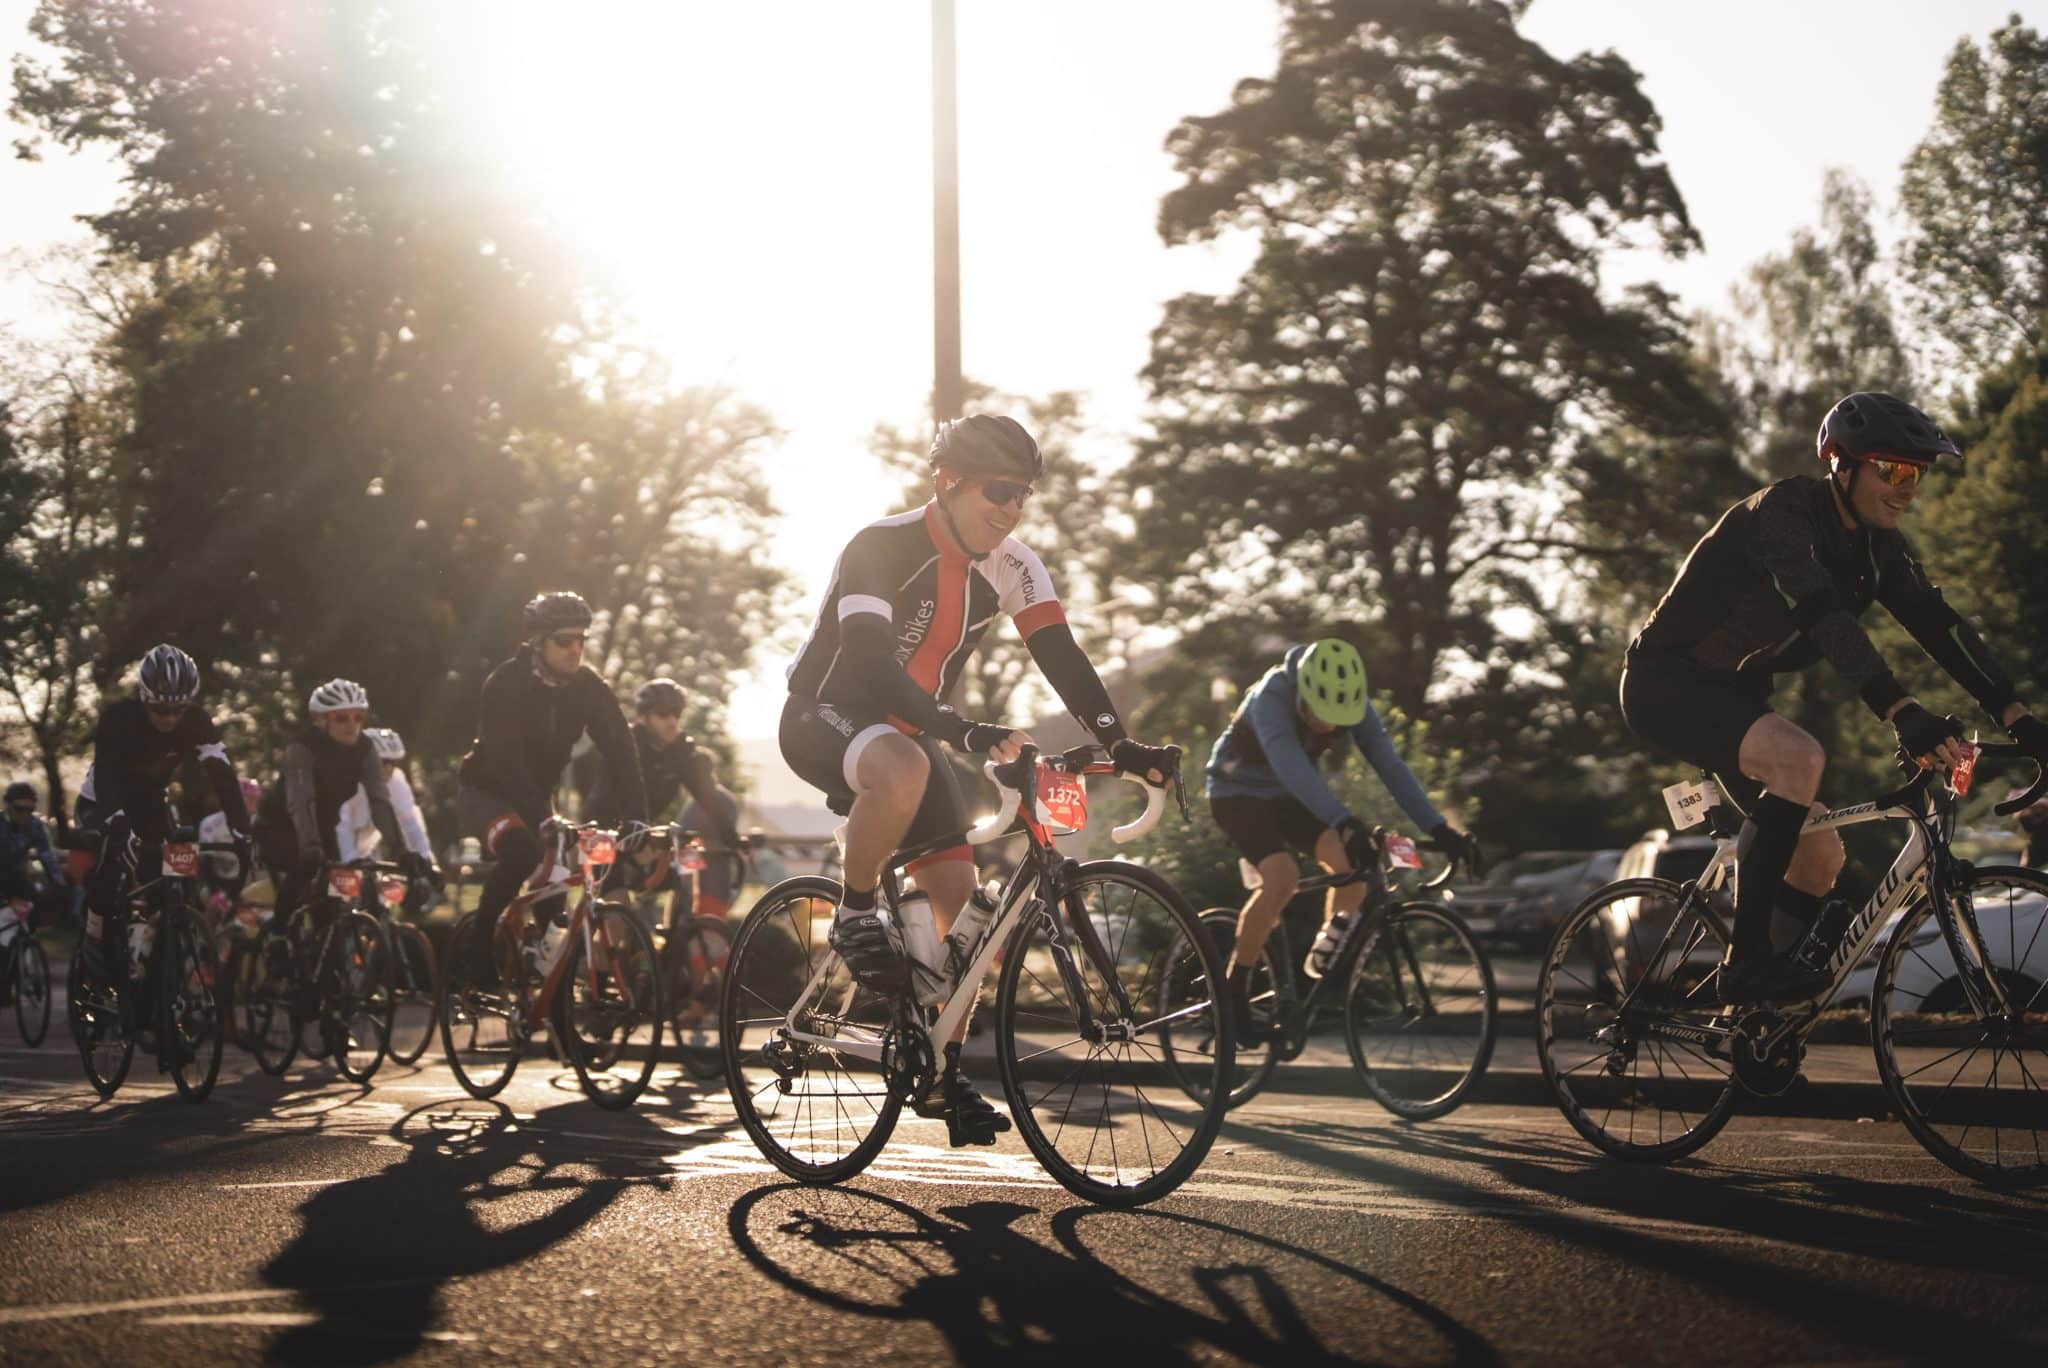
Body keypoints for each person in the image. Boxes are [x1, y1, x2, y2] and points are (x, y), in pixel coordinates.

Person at [780, 413, 1178, 1146]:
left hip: (913, 736)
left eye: (1023, 495)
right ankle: (857, 909)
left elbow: (1061, 655)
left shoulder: (1013, 564)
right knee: (903, 764)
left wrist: (1120, 745)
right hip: (824, 714)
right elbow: (869, 663)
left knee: (966, 918)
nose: (1011, 508)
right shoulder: (881, 545)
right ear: (948, 482)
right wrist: (962, 731)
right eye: (998, 490)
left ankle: (939, 1067)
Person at [1620, 392, 2048, 1004]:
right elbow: (1825, 618)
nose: (1908, 488)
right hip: (1664, 684)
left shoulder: (1877, 547)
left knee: (1820, 855)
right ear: (1841, 464)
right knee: (1802, 758)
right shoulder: (1782, 516)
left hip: (1736, 697)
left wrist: (2017, 714)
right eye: (1895, 470)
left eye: (1917, 474)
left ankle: (1759, 1025)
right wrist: (1901, 711)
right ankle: (1746, 964)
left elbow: (1938, 624)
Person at [1206, 639, 1480, 1042]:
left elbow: (1389, 764)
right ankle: (1234, 988)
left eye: (1337, 720)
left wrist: (1438, 828)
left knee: (1355, 867)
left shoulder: (1352, 703)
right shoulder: (1271, 697)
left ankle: (1325, 960)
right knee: (1283, 879)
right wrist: (1343, 821)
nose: (1328, 729)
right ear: (1302, 693)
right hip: (1237, 794)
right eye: (1319, 716)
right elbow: (1293, 767)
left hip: (1289, 797)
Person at [455, 591, 647, 983]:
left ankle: (549, 996)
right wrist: (544, 817)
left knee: (555, 903)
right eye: (565, 640)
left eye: (582, 640)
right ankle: (477, 948)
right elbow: (507, 761)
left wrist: (637, 818)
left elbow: (622, 751)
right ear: (539, 643)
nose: (575, 649)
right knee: (521, 851)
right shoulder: (506, 683)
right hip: (487, 792)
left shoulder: (589, 687)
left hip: (538, 797)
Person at [75, 645, 253, 1005]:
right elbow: (107, 778)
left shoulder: (198, 721)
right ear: (143, 697)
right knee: (115, 852)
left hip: (150, 803)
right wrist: (115, 822)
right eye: (159, 709)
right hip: (103, 800)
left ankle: (157, 975)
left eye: (178, 709)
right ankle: (95, 934)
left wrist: (240, 828)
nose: (169, 718)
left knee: (174, 883)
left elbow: (222, 775)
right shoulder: (118, 719)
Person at [253, 680, 430, 930]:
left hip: (323, 829)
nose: (352, 725)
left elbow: (380, 802)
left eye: (358, 717)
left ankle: (327, 959)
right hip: (280, 826)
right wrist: (310, 845)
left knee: (331, 909)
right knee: (300, 872)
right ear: (320, 720)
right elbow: (301, 801)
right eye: (341, 717)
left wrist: (401, 851)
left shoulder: (365, 749)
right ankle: (278, 935)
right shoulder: (302, 748)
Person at [587, 677, 742, 917]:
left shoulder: (678, 752)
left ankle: (678, 935)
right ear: (643, 717)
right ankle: (611, 947)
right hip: (600, 833)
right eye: (662, 714)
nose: (671, 722)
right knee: (617, 913)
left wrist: (733, 839)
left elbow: (707, 797)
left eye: (676, 715)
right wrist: (634, 836)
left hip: (641, 833)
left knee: (688, 871)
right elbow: (607, 800)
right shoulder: (623, 746)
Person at [1, 781, 63, 906]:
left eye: (30, 809)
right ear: (7, 805)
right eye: (19, 809)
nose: (25, 814)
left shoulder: (36, 825)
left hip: (17, 875)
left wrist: (59, 882)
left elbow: (47, 854)